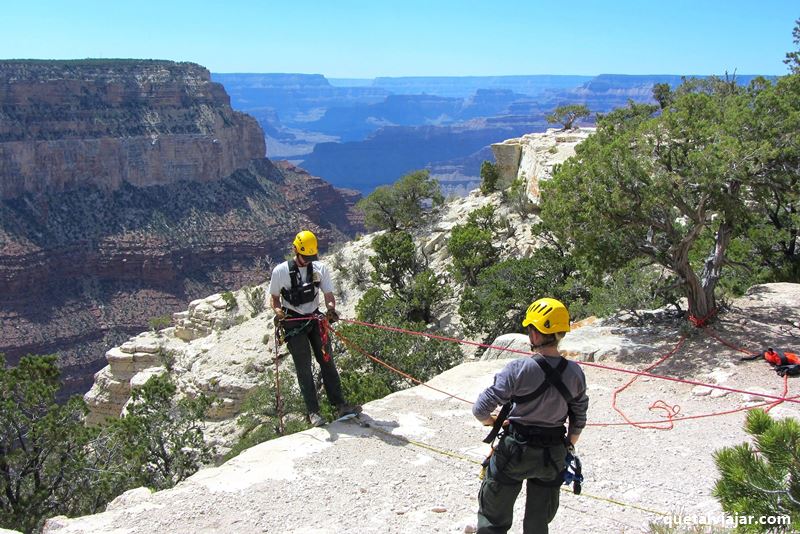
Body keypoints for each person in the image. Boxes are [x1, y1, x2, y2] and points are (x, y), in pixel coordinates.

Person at [472, 297, 588, 534]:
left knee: (493, 519)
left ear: (535, 334)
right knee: (538, 523)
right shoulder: (576, 373)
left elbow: (480, 409)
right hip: (553, 453)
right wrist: (567, 446)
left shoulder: (517, 369)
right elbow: (579, 418)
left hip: (515, 450)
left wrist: (492, 422)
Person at [269, 230, 361, 427]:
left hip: (315, 318)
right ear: (295, 250)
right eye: (305, 257)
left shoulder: (320, 268)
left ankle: (340, 405)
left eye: (310, 257)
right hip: (293, 321)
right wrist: (278, 312)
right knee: (304, 368)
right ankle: (313, 412)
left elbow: (328, 294)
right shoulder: (280, 272)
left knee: (327, 361)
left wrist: (330, 309)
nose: (307, 261)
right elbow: (275, 298)